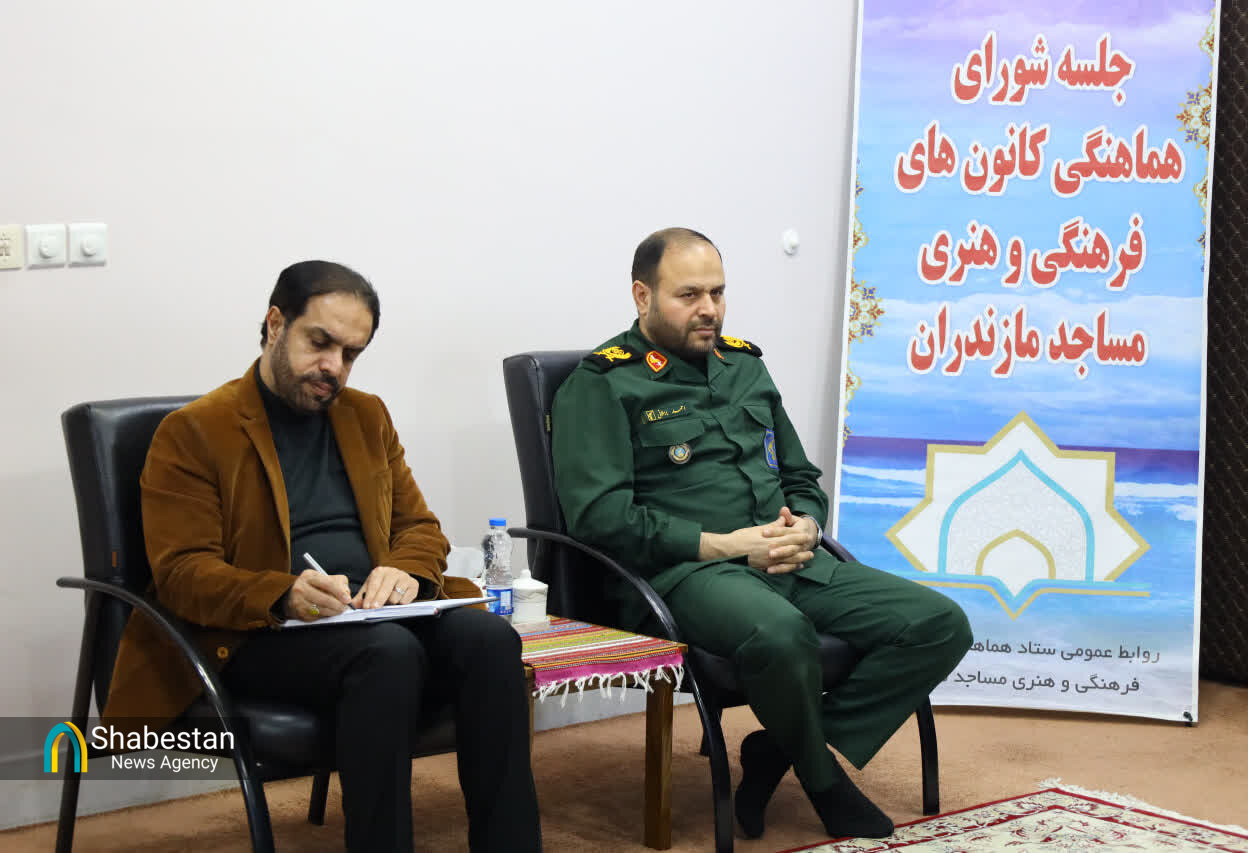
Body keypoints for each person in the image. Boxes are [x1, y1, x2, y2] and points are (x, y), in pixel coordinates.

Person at [104, 260, 541, 853]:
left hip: (372, 615)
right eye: (320, 343)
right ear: (275, 324)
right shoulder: (195, 431)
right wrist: (282, 593)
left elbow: (419, 527)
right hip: (259, 632)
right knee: (387, 655)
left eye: (351, 353)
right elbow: (182, 574)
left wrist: (407, 573)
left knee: (490, 641)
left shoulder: (366, 415)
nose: (334, 366)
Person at [551, 228, 973, 840]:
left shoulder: (744, 365)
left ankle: (778, 749)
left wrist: (807, 524)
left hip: (785, 558)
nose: (709, 309)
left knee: (938, 623)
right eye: (689, 295)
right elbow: (600, 518)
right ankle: (824, 782)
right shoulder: (603, 383)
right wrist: (728, 545)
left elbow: (800, 475)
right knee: (781, 635)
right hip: (687, 573)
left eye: (718, 293)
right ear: (643, 296)